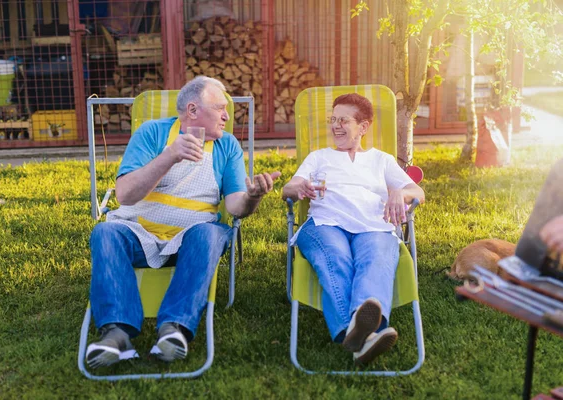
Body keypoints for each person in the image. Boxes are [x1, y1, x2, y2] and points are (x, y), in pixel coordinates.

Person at [86, 76, 280, 368]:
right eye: (220, 108)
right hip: (139, 232)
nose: (228, 115)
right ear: (192, 110)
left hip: (191, 237)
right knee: (105, 232)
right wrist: (170, 156)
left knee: (210, 234)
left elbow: (235, 207)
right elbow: (125, 195)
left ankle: (173, 329)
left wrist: (253, 197)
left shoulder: (227, 146)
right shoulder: (152, 133)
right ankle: (117, 333)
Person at [282, 93, 425, 364]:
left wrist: (399, 194)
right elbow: (287, 189)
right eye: (332, 119)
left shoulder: (380, 160)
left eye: (343, 120)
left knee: (375, 261)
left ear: (363, 127)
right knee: (337, 260)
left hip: (374, 226)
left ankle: (357, 334)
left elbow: (417, 191)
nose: (335, 125)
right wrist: (298, 187)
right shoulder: (318, 157)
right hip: (325, 225)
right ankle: (368, 332)